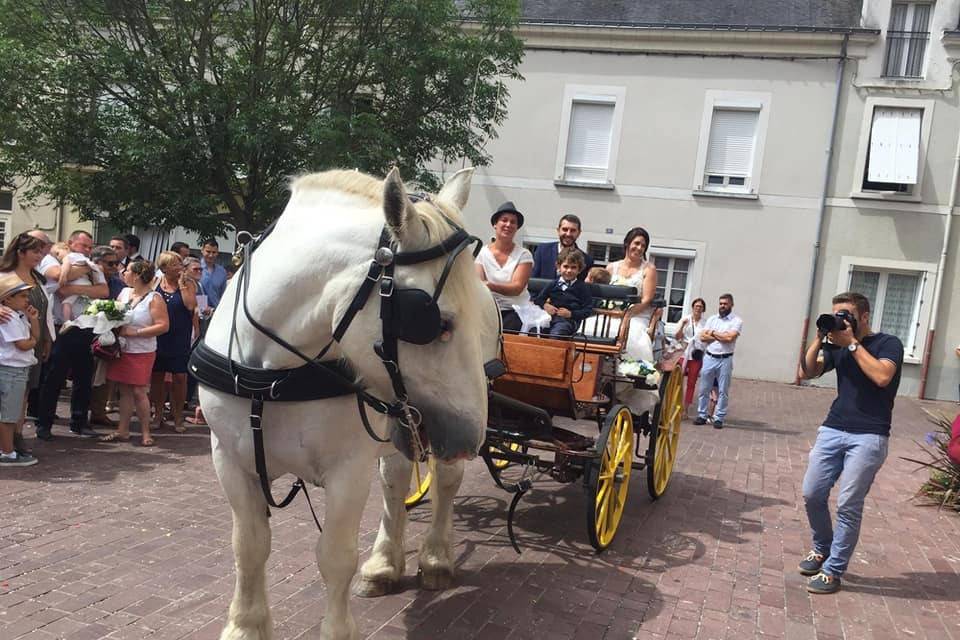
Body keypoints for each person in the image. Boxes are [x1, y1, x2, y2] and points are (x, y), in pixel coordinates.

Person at [798, 291, 903, 595]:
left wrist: (852, 343)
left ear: (864, 316)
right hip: (833, 428)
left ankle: (833, 570)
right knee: (812, 492)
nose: (841, 319)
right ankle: (822, 548)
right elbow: (808, 371)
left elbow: (882, 376)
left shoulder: (888, 343)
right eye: (837, 314)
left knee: (848, 504)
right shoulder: (839, 345)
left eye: (846, 314)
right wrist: (819, 338)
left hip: (870, 434)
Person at [34, 230, 108, 440]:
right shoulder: (55, 259)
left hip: (85, 326)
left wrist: (72, 287)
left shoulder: (93, 266)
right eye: (83, 246)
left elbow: (102, 291)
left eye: (89, 247)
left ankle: (79, 422)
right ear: (70, 243)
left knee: (84, 377)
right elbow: (58, 278)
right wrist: (84, 271)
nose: (87, 250)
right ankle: (44, 423)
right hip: (61, 327)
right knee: (54, 377)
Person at [100, 260, 169, 446]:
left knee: (139, 391)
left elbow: (163, 326)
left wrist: (135, 332)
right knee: (124, 390)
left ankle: (146, 432)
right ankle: (123, 430)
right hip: (122, 349)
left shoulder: (154, 298)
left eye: (128, 270)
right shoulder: (124, 293)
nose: (123, 272)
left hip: (142, 351)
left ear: (137, 275)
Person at [150, 251, 196, 433]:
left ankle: (178, 417)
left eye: (180, 263)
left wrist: (182, 285)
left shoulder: (188, 283)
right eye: (175, 264)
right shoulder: (156, 282)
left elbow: (190, 305)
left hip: (179, 336)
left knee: (179, 377)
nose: (179, 267)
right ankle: (158, 414)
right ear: (164, 268)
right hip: (160, 335)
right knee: (157, 377)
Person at [0, 274, 40, 467]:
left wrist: (34, 320)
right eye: (22, 296)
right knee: (8, 415)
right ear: (8, 298)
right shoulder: (8, 317)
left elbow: (35, 337)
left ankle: (7, 449)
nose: (27, 300)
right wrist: (32, 341)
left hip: (17, 368)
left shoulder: (19, 315)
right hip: (11, 369)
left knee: (11, 412)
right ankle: (7, 453)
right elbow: (24, 344)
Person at [475, 202, 533, 333]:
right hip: (488, 308)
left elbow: (517, 288)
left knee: (508, 330)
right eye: (504, 220)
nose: (508, 225)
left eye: (513, 222)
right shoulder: (482, 253)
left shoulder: (524, 255)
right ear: (495, 224)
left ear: (517, 227)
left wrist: (489, 285)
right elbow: (478, 285)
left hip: (516, 311)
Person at [605, 227, 657, 360]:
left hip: (636, 316)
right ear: (627, 243)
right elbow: (602, 294)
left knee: (633, 335)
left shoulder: (649, 269)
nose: (639, 248)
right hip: (611, 314)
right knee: (590, 327)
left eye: (643, 245)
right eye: (637, 243)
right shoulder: (611, 268)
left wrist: (627, 315)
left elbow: (646, 300)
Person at [693, 294, 742, 429]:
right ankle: (702, 415)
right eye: (720, 303)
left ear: (731, 305)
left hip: (725, 358)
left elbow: (729, 339)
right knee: (704, 388)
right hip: (709, 356)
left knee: (723, 390)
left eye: (725, 304)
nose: (722, 306)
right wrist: (721, 335)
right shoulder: (712, 319)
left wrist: (713, 333)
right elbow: (703, 337)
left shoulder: (736, 321)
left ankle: (719, 417)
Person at [88, 246, 123, 428]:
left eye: (117, 263)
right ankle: (78, 415)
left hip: (108, 336)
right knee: (84, 375)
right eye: (110, 263)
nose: (115, 267)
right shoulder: (86, 280)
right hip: (85, 332)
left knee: (103, 377)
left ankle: (98, 413)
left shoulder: (118, 284)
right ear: (96, 263)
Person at [533, 248, 593, 337]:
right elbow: (538, 300)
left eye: (573, 267)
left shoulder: (582, 287)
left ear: (579, 269)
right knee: (534, 330)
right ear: (558, 267)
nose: (569, 270)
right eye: (566, 266)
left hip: (569, 321)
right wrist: (546, 305)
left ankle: (554, 350)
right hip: (549, 318)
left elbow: (588, 310)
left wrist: (571, 314)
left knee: (557, 333)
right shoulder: (553, 284)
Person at [530, 214, 594, 280]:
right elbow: (533, 281)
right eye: (565, 229)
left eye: (573, 230)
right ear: (558, 230)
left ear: (579, 233)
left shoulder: (587, 260)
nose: (568, 234)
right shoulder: (543, 251)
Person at [50, 242, 99, 324]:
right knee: (69, 302)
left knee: (66, 303)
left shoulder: (69, 256)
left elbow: (66, 265)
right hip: (85, 282)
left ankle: (66, 323)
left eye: (58, 253)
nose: (58, 257)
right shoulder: (79, 256)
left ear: (66, 248)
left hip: (80, 283)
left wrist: (63, 276)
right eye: (55, 256)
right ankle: (72, 320)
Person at [675, 298, 707, 414]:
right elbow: (677, 337)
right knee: (677, 380)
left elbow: (706, 339)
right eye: (696, 306)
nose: (698, 308)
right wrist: (683, 326)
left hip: (696, 354)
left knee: (691, 382)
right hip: (684, 352)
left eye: (700, 307)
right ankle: (675, 404)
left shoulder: (705, 323)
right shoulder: (685, 319)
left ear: (703, 309)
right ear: (693, 307)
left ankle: (685, 409)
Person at [199, 239, 228, 309]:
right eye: (208, 252)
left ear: (217, 253)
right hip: (198, 312)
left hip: (216, 311)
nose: (211, 255)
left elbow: (223, 294)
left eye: (214, 252)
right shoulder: (196, 268)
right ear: (202, 251)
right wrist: (203, 308)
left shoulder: (222, 271)